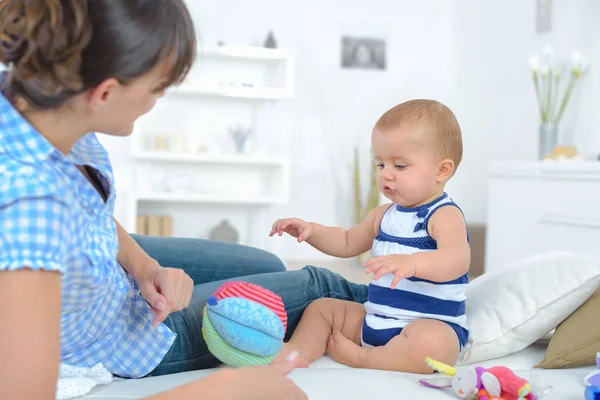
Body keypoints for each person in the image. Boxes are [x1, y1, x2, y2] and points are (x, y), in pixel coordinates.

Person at [0, 1, 368, 399]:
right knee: (317, 284)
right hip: (119, 336)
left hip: (113, 276)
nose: (157, 100)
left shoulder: (39, 104)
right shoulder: (29, 206)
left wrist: (144, 267)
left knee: (267, 264)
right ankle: (422, 311)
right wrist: (224, 389)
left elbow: (91, 209)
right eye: (157, 88)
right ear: (104, 92)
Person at [270, 99, 470, 373]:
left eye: (400, 166)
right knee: (323, 308)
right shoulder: (383, 215)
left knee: (434, 344)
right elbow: (347, 241)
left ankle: (364, 359)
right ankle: (299, 351)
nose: (386, 175)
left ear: (441, 170)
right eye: (380, 164)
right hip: (375, 318)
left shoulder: (443, 215)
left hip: (425, 324)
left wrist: (412, 264)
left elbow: (457, 260)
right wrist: (312, 231)